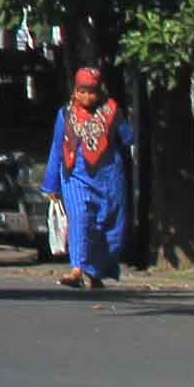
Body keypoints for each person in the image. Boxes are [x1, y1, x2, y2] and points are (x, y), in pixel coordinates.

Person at [42, 64, 134, 289]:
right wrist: (50, 184)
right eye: (82, 91)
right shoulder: (65, 114)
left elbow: (127, 137)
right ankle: (77, 269)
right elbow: (57, 147)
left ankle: (95, 273)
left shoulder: (112, 110)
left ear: (100, 91)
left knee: (107, 224)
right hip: (75, 175)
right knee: (81, 218)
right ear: (75, 90)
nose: (87, 96)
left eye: (91, 91)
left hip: (108, 177)